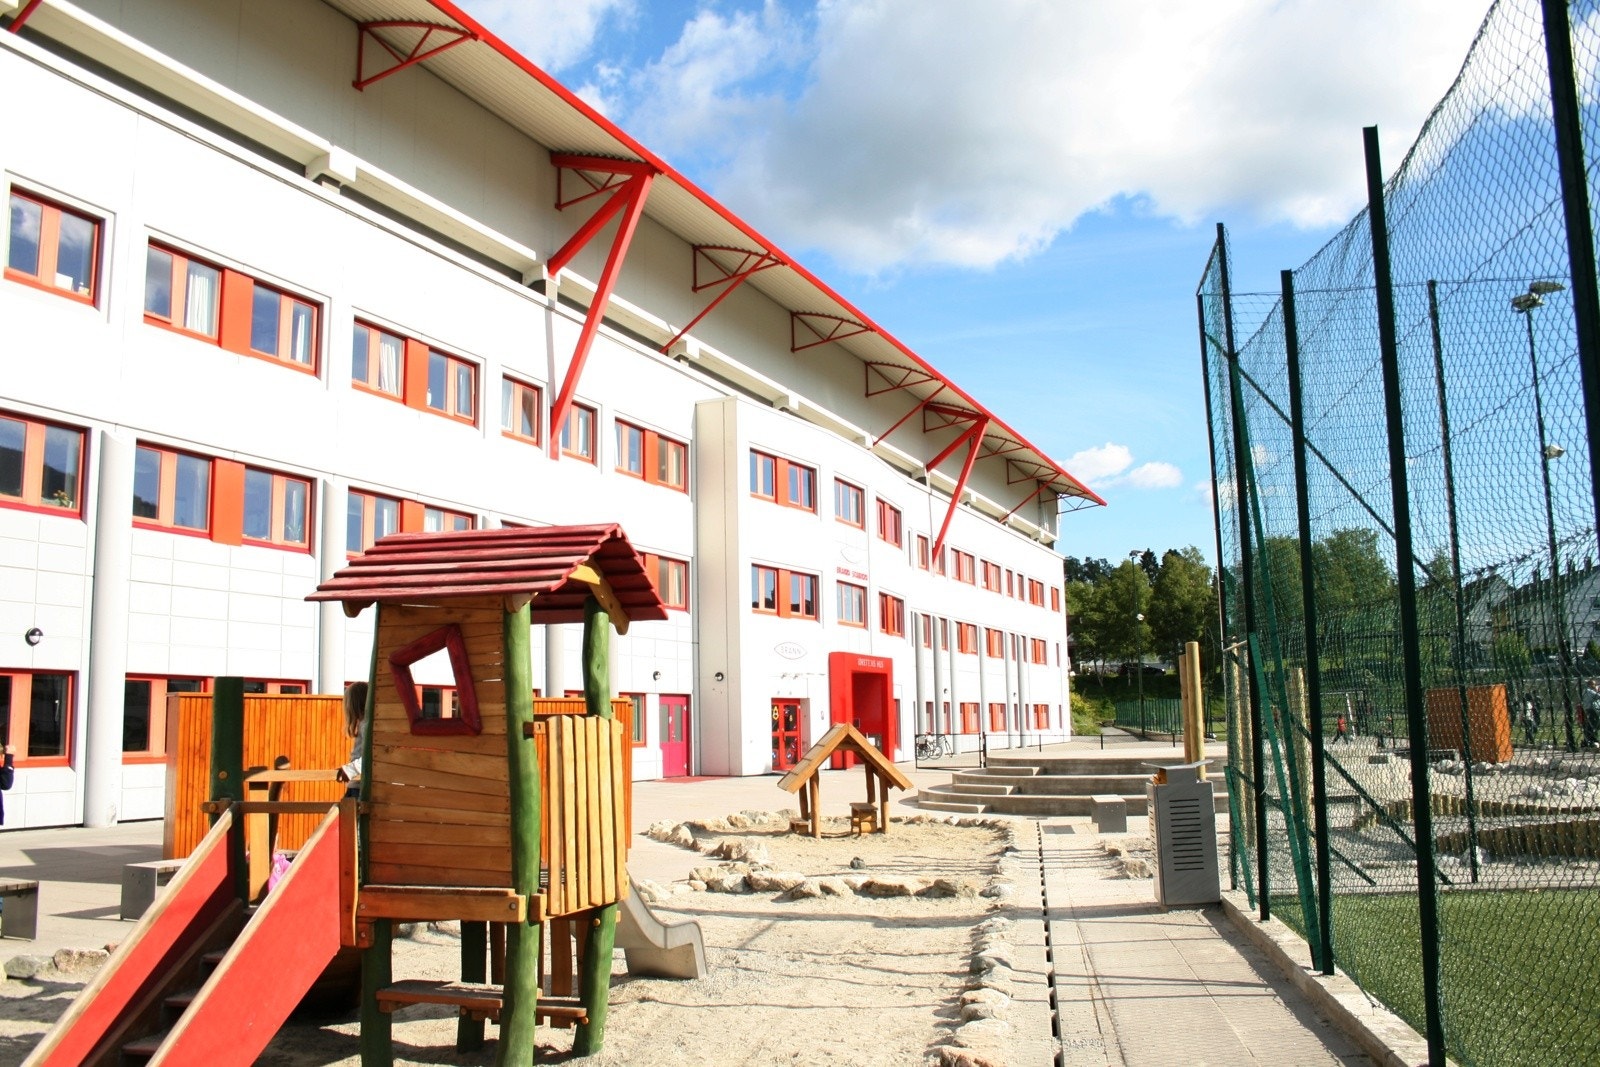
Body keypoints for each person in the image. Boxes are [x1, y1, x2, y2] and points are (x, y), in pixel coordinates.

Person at [336, 682, 369, 798]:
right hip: (356, 784)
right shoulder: (365, 724)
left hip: (360, 787)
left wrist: (350, 770)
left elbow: (372, 755)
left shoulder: (367, 726)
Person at [1584, 680, 1600, 748]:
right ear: (1590, 685)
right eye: (1593, 684)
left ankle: (1591, 739)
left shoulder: (1587, 691)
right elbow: (1598, 696)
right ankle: (1593, 739)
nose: (1594, 686)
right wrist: (1597, 690)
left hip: (1590, 709)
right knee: (1594, 724)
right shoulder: (1589, 691)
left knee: (1591, 724)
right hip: (1591, 709)